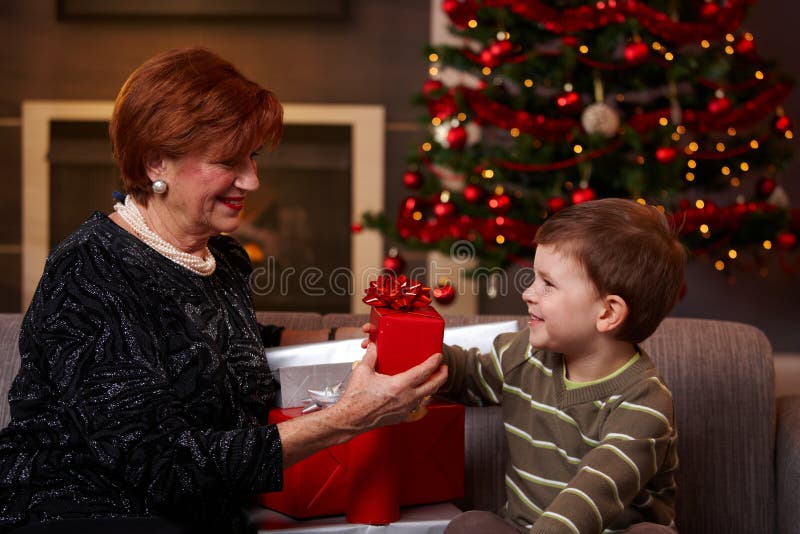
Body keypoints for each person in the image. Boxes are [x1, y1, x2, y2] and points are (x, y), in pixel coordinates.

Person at [0, 47, 446, 534]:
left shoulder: (221, 256)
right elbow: (163, 467)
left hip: (207, 512)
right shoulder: (87, 270)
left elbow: (222, 342)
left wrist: (346, 337)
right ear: (156, 163)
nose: (252, 180)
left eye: (252, 156)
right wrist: (349, 418)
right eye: (227, 161)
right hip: (87, 514)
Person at [440, 198, 685, 533]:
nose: (528, 294)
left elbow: (592, 495)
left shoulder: (645, 403)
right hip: (528, 529)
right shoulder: (523, 354)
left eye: (548, 284)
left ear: (607, 313)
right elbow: (464, 372)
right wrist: (409, 352)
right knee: (471, 526)